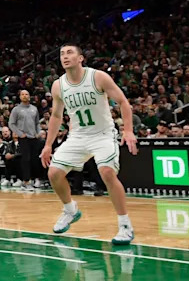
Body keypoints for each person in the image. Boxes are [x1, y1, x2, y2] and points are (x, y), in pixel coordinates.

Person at [40, 43, 138, 245]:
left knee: (107, 173)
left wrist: (128, 130)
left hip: (102, 134)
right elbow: (57, 116)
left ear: (80, 58)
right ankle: (70, 210)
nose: (65, 57)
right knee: (54, 173)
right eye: (62, 54)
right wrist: (48, 144)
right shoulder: (58, 85)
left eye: (69, 53)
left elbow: (123, 102)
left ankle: (125, 225)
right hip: (78, 136)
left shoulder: (98, 77)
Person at [9, 89, 41, 190]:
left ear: (29, 96)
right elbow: (11, 124)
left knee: (35, 159)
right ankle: (26, 181)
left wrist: (38, 132)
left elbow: (37, 123)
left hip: (34, 137)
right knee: (25, 160)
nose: (24, 96)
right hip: (24, 138)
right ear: (20, 97)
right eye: (22, 94)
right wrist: (19, 134)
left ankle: (36, 179)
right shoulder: (16, 109)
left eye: (26, 94)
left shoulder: (34, 109)